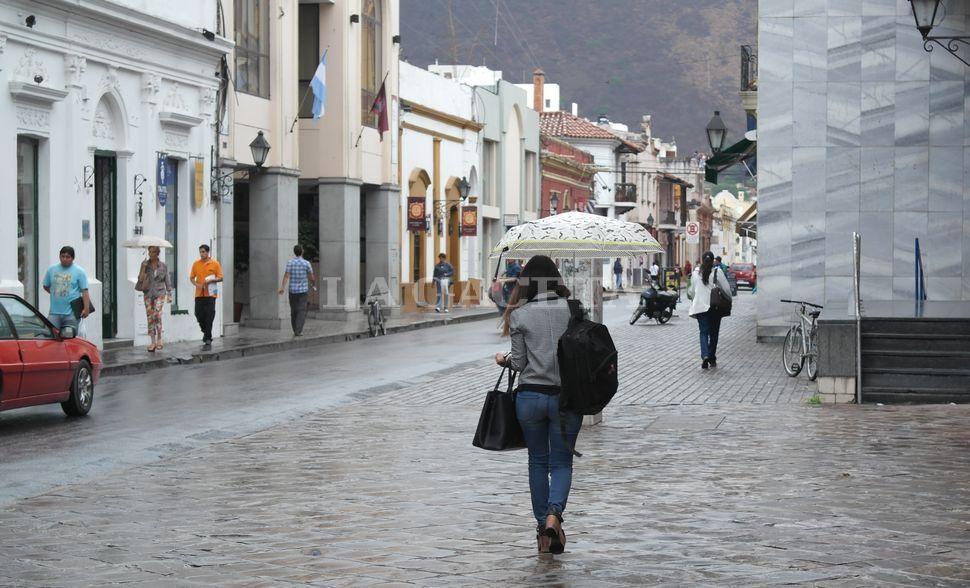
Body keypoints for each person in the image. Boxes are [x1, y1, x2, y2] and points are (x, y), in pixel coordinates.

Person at [494, 255, 581, 556]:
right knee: (561, 462)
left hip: (530, 398)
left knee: (537, 462)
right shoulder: (572, 310)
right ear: (555, 279)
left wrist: (503, 359)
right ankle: (554, 517)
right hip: (565, 399)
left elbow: (518, 363)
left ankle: (542, 531)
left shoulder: (519, 315)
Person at [687, 251, 732, 370]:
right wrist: (729, 300)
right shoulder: (718, 272)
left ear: (702, 260)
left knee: (703, 332)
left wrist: (694, 298)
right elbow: (726, 289)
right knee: (714, 333)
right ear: (713, 261)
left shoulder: (695, 273)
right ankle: (712, 357)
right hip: (715, 307)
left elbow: (691, 291)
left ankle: (705, 355)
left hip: (700, 307)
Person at [42, 246, 91, 333]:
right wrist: (56, 294)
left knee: (70, 338)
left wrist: (86, 308)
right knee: (51, 336)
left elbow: (84, 291)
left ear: (72, 258)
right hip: (54, 313)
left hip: (71, 314)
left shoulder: (79, 271)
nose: (64, 259)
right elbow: (46, 286)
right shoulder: (51, 270)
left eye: (68, 257)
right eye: (62, 256)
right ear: (59, 256)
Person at [137, 246, 172, 351]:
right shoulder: (145, 265)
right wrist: (143, 268)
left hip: (160, 293)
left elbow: (167, 279)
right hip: (148, 293)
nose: (150, 254)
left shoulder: (163, 266)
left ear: (157, 253)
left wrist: (169, 293)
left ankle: (159, 338)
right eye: (149, 252)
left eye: (152, 252)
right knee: (150, 317)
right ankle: (152, 342)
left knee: (157, 314)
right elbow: (140, 279)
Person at [189, 244, 223, 347]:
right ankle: (206, 332)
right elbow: (191, 278)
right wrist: (197, 285)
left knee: (209, 315)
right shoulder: (196, 264)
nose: (202, 254)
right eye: (200, 252)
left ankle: (208, 337)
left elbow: (221, 277)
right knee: (198, 313)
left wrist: (212, 279)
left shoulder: (215, 264)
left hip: (211, 294)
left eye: (203, 252)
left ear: (208, 252)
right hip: (199, 294)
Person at [279, 244, 316, 336]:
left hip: (292, 291)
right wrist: (313, 284)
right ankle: (298, 330)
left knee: (294, 310)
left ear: (294, 252)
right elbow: (312, 277)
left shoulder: (290, 262)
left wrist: (282, 287)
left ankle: (295, 329)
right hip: (303, 291)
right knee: (302, 310)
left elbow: (286, 275)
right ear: (302, 252)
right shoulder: (306, 263)